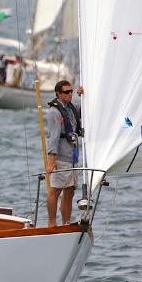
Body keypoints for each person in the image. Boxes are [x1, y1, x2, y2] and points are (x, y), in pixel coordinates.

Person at [46, 81, 84, 227]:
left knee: (70, 191)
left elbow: (86, 108)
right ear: (58, 94)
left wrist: (83, 95)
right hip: (61, 158)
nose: (70, 94)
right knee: (55, 190)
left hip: (73, 158)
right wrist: (51, 160)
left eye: (71, 91)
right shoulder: (54, 112)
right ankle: (51, 223)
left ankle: (65, 223)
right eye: (67, 92)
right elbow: (53, 137)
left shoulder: (72, 107)